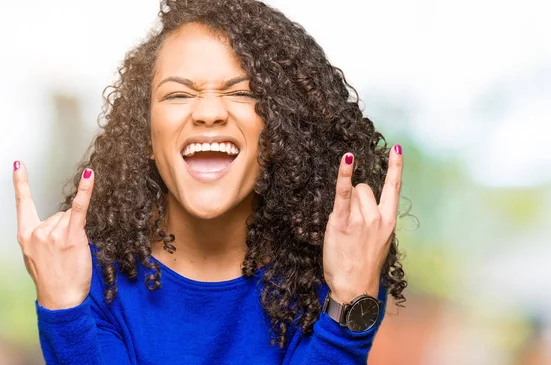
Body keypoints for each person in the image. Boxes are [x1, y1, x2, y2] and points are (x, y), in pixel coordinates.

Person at [12, 0, 408, 364]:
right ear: (146, 135)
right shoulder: (89, 275)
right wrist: (63, 308)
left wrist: (350, 299)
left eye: (241, 92)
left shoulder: (337, 266)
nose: (208, 112)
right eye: (178, 94)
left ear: (279, 133)